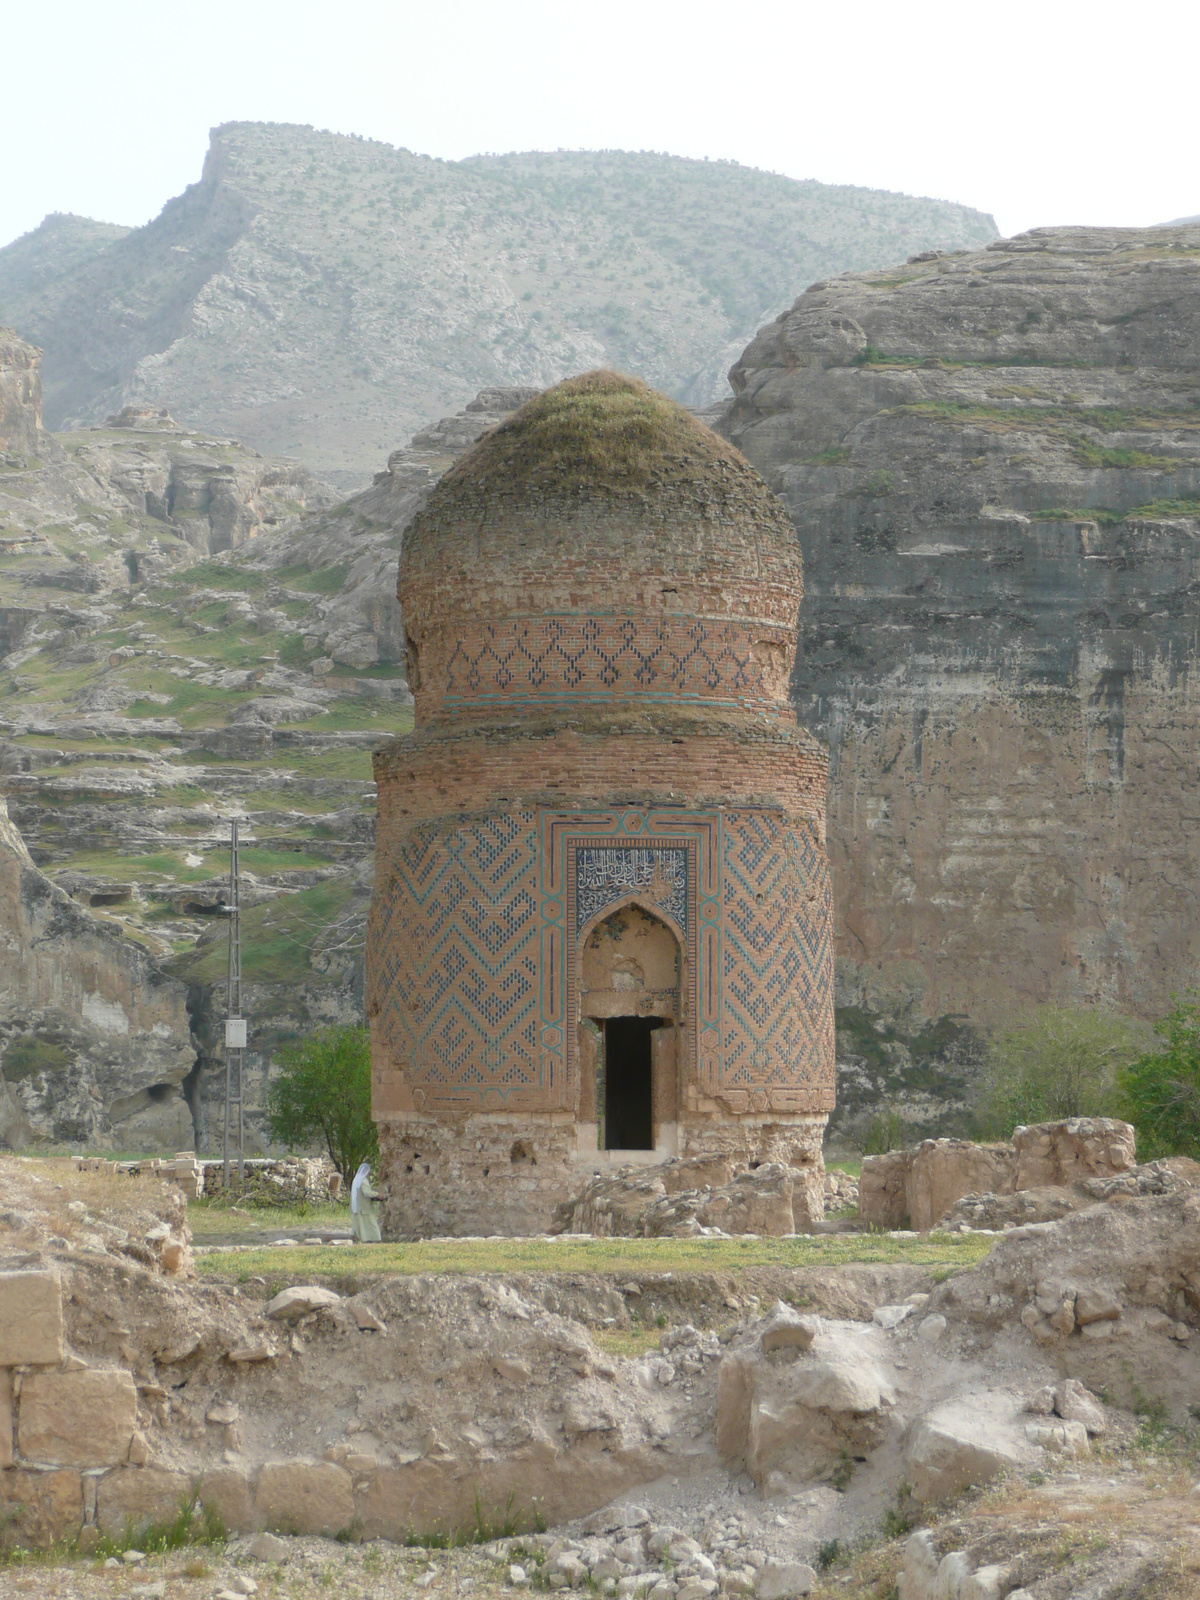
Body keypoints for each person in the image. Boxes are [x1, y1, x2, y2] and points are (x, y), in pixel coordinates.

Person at [350, 1160, 381, 1243]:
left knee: (360, 1225)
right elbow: (367, 1192)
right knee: (371, 1224)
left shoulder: (356, 1179)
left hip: (357, 1207)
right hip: (364, 1207)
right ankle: (375, 1238)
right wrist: (378, 1194)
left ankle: (361, 1238)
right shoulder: (363, 1180)